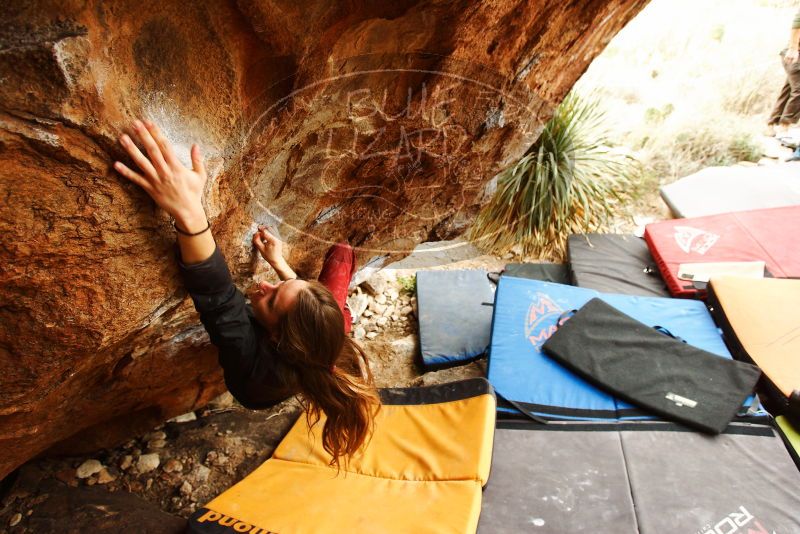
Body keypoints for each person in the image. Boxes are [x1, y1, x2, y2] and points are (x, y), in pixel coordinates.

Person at [113, 119, 380, 468]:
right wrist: (281, 264)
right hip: (330, 328)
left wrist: (188, 209)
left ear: (273, 338)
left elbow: (218, 296)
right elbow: (301, 303)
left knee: (331, 283)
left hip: (259, 382)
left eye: (270, 299)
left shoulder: (251, 362)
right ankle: (302, 291)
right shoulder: (330, 334)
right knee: (342, 252)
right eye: (280, 287)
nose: (264, 286)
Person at [766, 9, 800, 137]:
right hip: (794, 55)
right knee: (799, 89)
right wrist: (793, 48)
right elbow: (797, 22)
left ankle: (772, 123)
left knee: (789, 89)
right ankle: (784, 126)